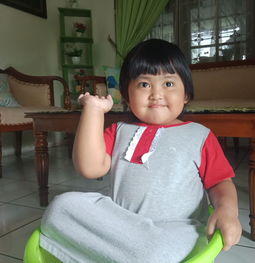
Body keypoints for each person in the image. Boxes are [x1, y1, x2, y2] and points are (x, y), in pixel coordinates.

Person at [40, 39, 242, 263]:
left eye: (168, 84)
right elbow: (88, 168)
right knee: (60, 207)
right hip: (121, 226)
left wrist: (227, 211)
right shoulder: (118, 131)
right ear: (127, 96)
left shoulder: (200, 135)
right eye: (144, 84)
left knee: (153, 254)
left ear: (186, 95)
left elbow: (220, 183)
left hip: (176, 231)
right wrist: (93, 111)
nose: (156, 93)